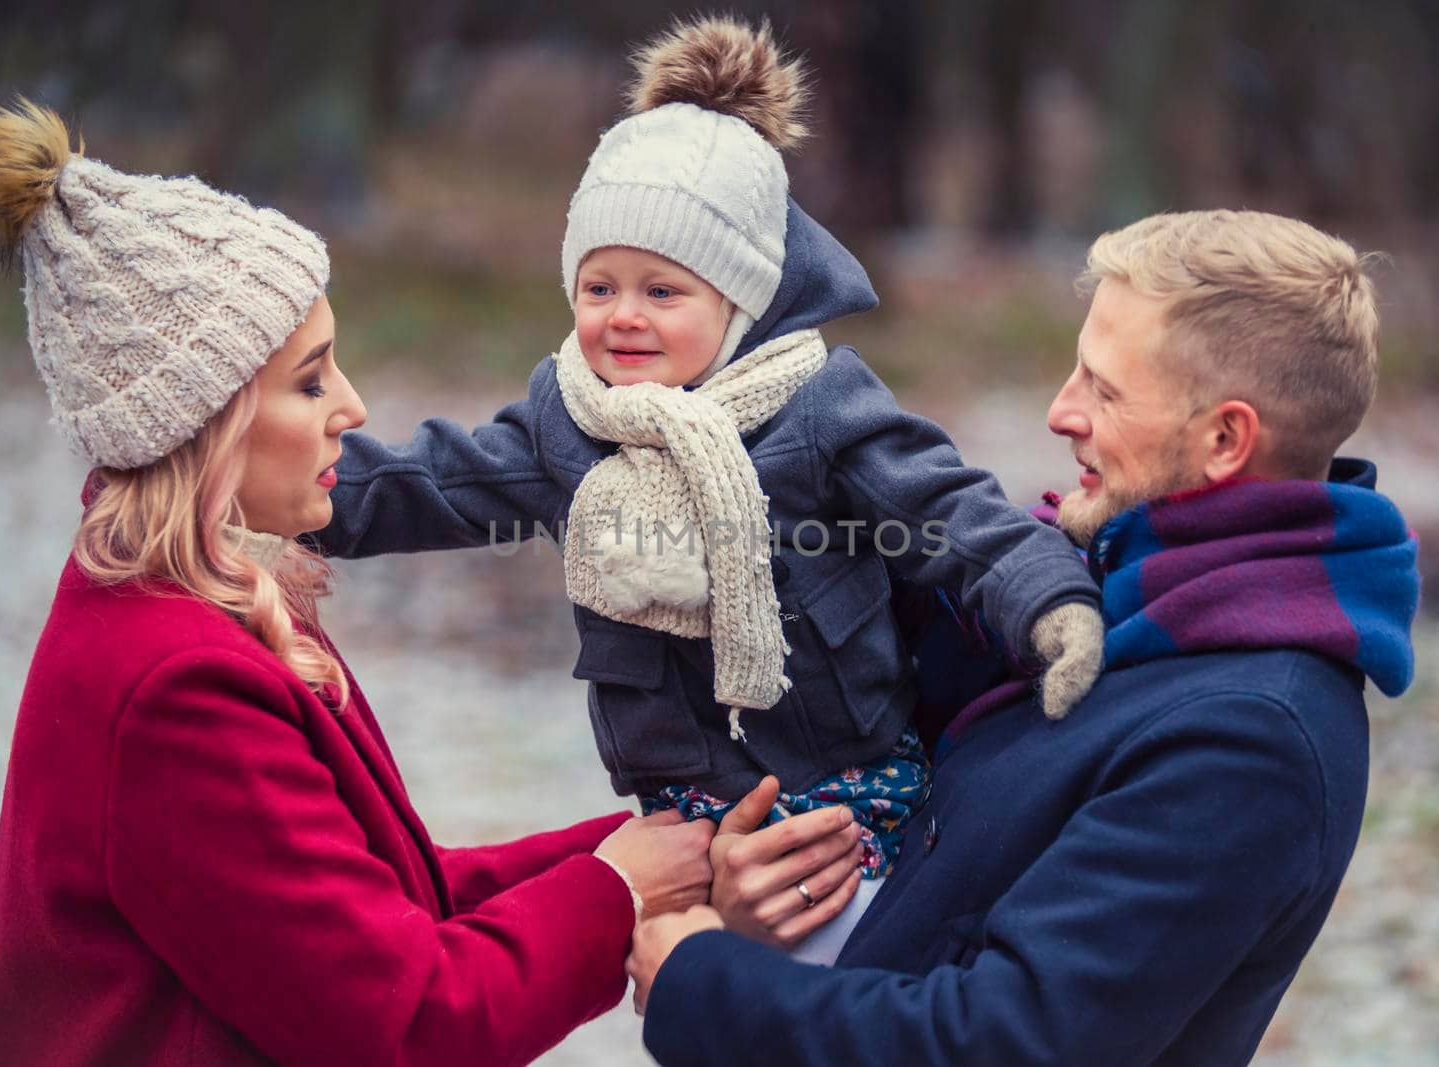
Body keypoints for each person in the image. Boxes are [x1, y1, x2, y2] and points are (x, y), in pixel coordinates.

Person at [315, 16, 1103, 963]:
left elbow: (951, 513)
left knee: (842, 991)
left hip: (849, 794)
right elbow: (433, 481)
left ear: (739, 298)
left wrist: (1048, 600)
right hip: (686, 814)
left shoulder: (819, 409)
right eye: (598, 288)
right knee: (710, 1002)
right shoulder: (569, 423)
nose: (623, 319)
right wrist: (280, 487)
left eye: (662, 291)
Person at [0, 100, 718, 1067]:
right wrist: (616, 892)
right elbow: (406, 1023)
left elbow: (385, 905)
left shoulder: (204, 596)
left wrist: (656, 849)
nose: (352, 407)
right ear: (206, 421)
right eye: (311, 381)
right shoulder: (176, 687)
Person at [627, 208, 1421, 1067]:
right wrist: (767, 901)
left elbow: (1006, 1041)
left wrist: (703, 982)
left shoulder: (1251, 737)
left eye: (1105, 389)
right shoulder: (1088, 597)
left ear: (1225, 438)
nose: (1060, 411)